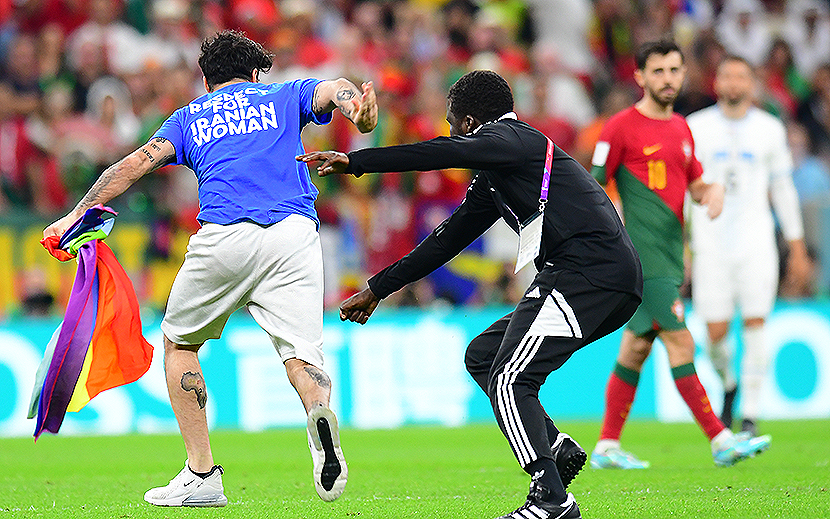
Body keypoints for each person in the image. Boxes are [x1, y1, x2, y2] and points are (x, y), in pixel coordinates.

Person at [43, 30, 378, 507]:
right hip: (295, 235)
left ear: (205, 79)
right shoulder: (283, 93)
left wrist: (77, 213)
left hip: (226, 235)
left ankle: (202, 474)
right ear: (256, 72)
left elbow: (134, 165)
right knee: (303, 357)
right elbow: (335, 87)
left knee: (180, 343)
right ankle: (319, 413)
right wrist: (357, 108)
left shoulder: (188, 117)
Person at [299, 69, 644, 519]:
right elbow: (446, 239)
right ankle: (554, 448)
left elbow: (439, 154)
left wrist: (359, 161)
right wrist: (378, 287)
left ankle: (551, 500)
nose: (448, 131)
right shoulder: (498, 173)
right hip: (594, 277)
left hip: (588, 273)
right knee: (484, 356)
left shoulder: (514, 139)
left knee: (509, 378)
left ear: (466, 123)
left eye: (450, 122)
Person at [589, 40, 771, 470]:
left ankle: (607, 445)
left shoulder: (682, 130)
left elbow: (695, 185)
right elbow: (592, 186)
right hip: (642, 257)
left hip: (670, 256)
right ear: (640, 77)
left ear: (684, 74)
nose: (667, 79)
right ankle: (721, 438)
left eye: (674, 70)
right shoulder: (620, 127)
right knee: (681, 342)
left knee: (634, 349)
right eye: (658, 71)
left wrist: (714, 191)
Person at [687, 55, 810, 436]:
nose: (734, 82)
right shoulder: (696, 127)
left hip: (756, 241)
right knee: (715, 334)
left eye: (741, 76)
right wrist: (687, 245)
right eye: (727, 75)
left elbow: (782, 188)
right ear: (717, 82)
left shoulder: (770, 129)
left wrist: (797, 244)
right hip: (711, 243)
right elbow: (686, 191)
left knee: (756, 322)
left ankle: (751, 413)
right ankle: (728, 383)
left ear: (752, 84)